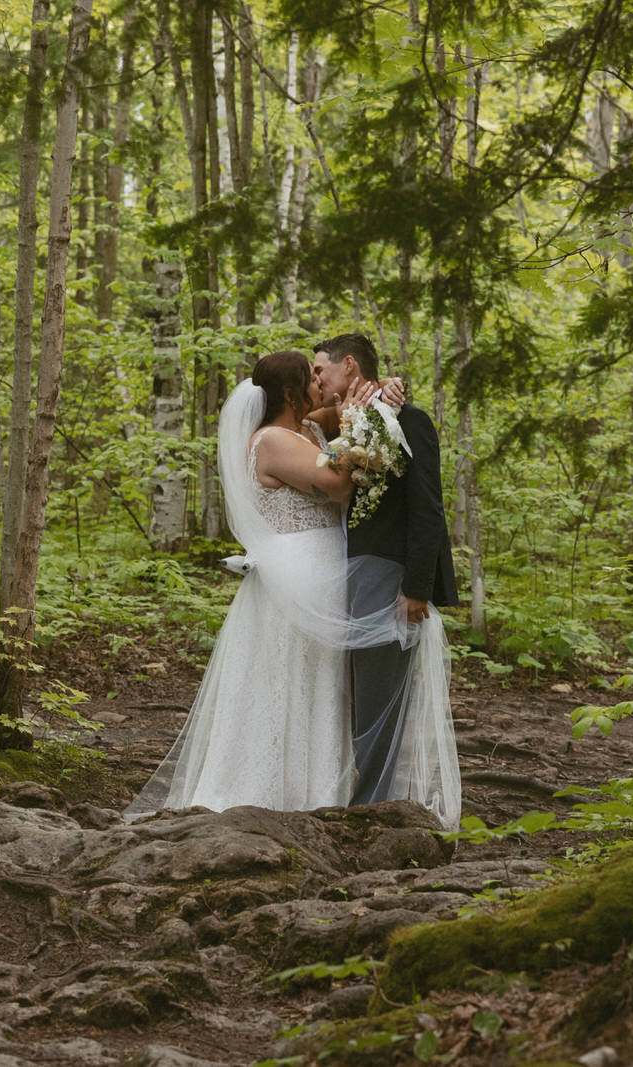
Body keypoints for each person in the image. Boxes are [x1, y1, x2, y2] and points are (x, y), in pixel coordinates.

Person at [125, 351, 379, 815]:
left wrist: (371, 399)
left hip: (322, 570)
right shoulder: (273, 441)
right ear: (289, 394)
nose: (321, 384)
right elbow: (340, 486)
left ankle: (323, 790)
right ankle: (272, 796)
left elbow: (337, 407)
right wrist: (353, 421)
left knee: (321, 683)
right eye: (312, 378)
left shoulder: (307, 428)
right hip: (296, 574)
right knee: (289, 678)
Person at [312, 333, 460, 825]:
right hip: (354, 573)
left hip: (391, 575)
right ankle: (361, 799)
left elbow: (427, 507)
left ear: (349, 365)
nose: (319, 381)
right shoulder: (348, 420)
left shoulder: (409, 421)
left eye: (323, 371)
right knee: (357, 693)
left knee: (379, 697)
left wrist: (418, 587)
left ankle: (369, 810)